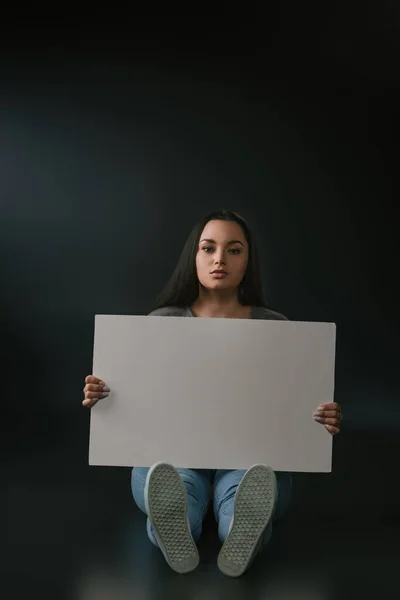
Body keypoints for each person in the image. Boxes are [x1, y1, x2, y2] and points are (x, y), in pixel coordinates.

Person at [82, 210, 342, 577]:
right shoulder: (161, 324)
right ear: (195, 257)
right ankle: (178, 523)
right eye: (209, 248)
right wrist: (106, 396)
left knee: (250, 479)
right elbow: (139, 399)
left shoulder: (277, 329)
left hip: (250, 455)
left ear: (248, 261)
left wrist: (321, 417)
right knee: (170, 477)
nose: (220, 259)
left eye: (233, 250)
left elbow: (294, 409)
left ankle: (239, 526)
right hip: (173, 452)